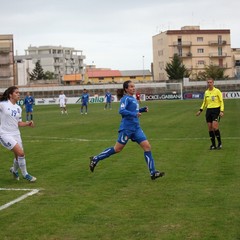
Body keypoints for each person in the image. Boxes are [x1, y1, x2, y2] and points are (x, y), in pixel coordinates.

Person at [89, 80, 165, 180]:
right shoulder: (125, 99)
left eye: (134, 86)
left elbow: (134, 111)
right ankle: (96, 158)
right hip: (127, 128)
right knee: (117, 149)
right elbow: (122, 111)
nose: (133, 88)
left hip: (136, 128)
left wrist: (142, 110)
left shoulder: (133, 99)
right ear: (126, 89)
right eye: (131, 87)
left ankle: (153, 173)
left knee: (147, 147)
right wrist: (135, 114)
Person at [0, 86, 36, 182]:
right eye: (16, 92)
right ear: (10, 95)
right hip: (4, 134)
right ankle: (25, 174)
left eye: (19, 92)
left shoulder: (18, 108)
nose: (18, 94)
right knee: (21, 153)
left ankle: (14, 170)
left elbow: (18, 123)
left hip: (16, 134)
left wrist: (28, 123)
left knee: (18, 155)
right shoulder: (3, 104)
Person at [196, 78, 224, 150]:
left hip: (216, 110)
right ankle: (213, 145)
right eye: (208, 82)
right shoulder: (206, 92)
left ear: (213, 83)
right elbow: (204, 102)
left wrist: (221, 111)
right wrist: (200, 110)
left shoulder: (217, 91)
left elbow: (221, 101)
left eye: (210, 82)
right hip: (209, 111)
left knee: (215, 127)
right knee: (210, 128)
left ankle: (220, 143)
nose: (209, 84)